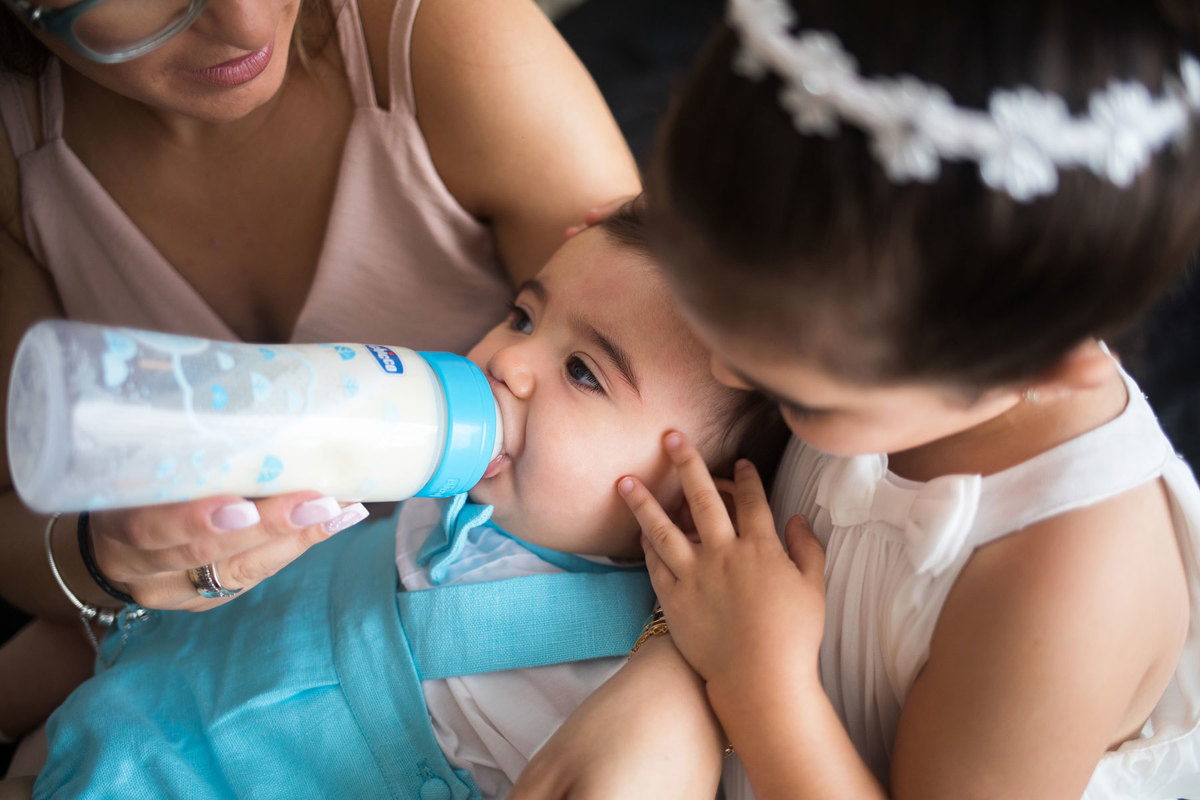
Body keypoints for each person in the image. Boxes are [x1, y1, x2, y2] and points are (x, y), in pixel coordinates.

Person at [510, 1, 1200, 798]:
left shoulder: (1070, 580)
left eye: (796, 393)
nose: (730, 376)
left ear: (1042, 363)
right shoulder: (856, 295)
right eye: (714, 313)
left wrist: (758, 678)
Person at [0, 0, 639, 761]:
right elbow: (23, 530)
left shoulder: (451, 39)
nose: (244, 24)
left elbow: (680, 398)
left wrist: (677, 670)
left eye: (577, 371)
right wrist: (103, 560)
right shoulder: (19, 158)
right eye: (520, 319)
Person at [0, 208, 789, 799]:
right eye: (523, 315)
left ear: (687, 515)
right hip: (93, 727)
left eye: (584, 372)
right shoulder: (440, 492)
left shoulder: (605, 696)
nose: (507, 359)